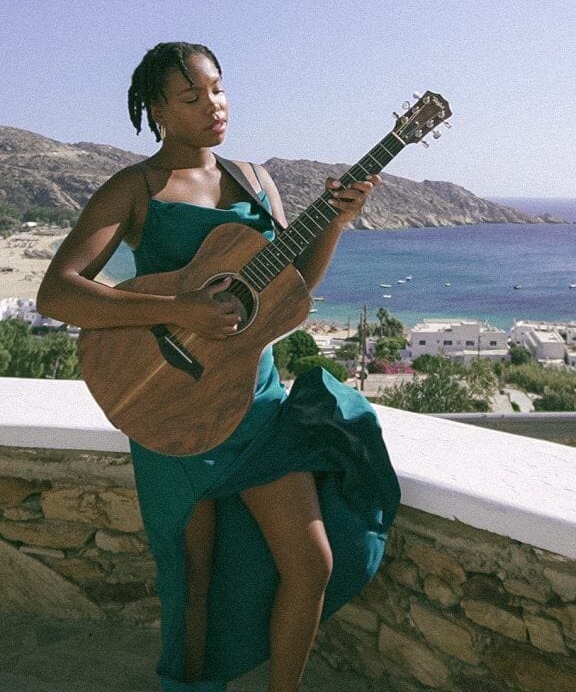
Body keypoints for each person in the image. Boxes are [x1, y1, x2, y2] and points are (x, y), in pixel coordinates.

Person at [36, 41, 401, 692]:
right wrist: (181, 308)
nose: (215, 106)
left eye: (219, 89)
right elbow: (58, 293)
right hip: (173, 404)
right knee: (194, 578)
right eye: (192, 97)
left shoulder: (255, 180)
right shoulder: (134, 188)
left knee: (311, 563)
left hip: (257, 406)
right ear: (157, 111)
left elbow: (289, 290)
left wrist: (336, 224)